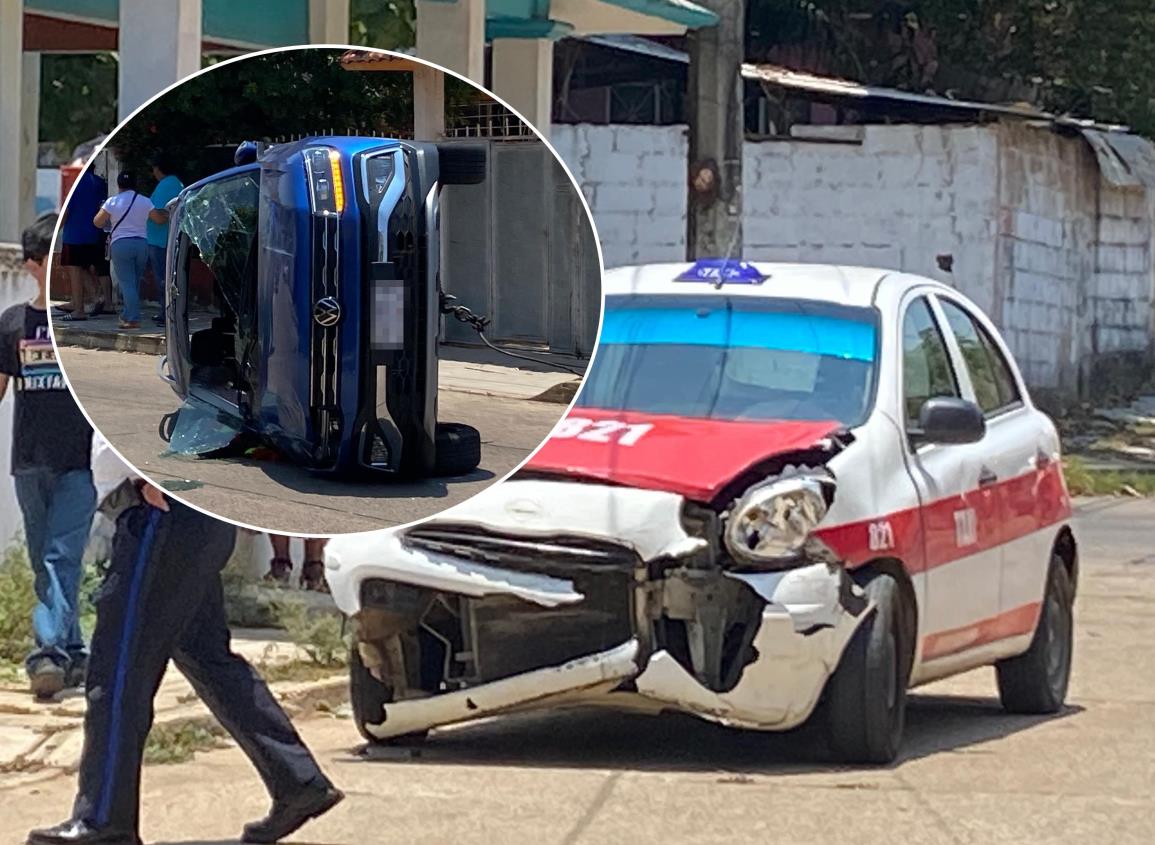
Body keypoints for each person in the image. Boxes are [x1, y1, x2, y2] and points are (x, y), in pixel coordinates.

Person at [27, 440, 344, 845]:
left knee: (119, 668)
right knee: (207, 657)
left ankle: (104, 820)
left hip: (164, 509)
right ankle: (297, 781)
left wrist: (163, 473)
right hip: (189, 508)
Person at [0, 213, 96, 700]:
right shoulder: (12, 323)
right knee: (46, 562)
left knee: (61, 557)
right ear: (34, 265)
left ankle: (47, 654)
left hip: (79, 462)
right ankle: (76, 652)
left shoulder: (81, 324)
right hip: (29, 461)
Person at [93, 172, 150, 330]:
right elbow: (158, 218)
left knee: (127, 283)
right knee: (134, 282)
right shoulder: (145, 201)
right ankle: (127, 314)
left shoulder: (112, 202)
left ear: (118, 185)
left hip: (121, 244)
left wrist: (111, 222)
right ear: (135, 183)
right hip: (142, 244)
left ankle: (133, 319)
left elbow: (97, 222)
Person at [56, 167, 112, 321]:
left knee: (74, 269)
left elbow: (66, 210)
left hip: (74, 234)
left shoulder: (74, 181)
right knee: (85, 267)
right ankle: (97, 296)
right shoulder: (100, 183)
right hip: (94, 233)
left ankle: (78, 310)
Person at [145, 153, 184, 327]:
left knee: (163, 279)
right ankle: (167, 312)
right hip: (167, 239)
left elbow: (160, 216)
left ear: (158, 168)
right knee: (168, 278)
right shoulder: (176, 183)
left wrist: (144, 210)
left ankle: (165, 313)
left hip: (160, 241)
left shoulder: (166, 185)